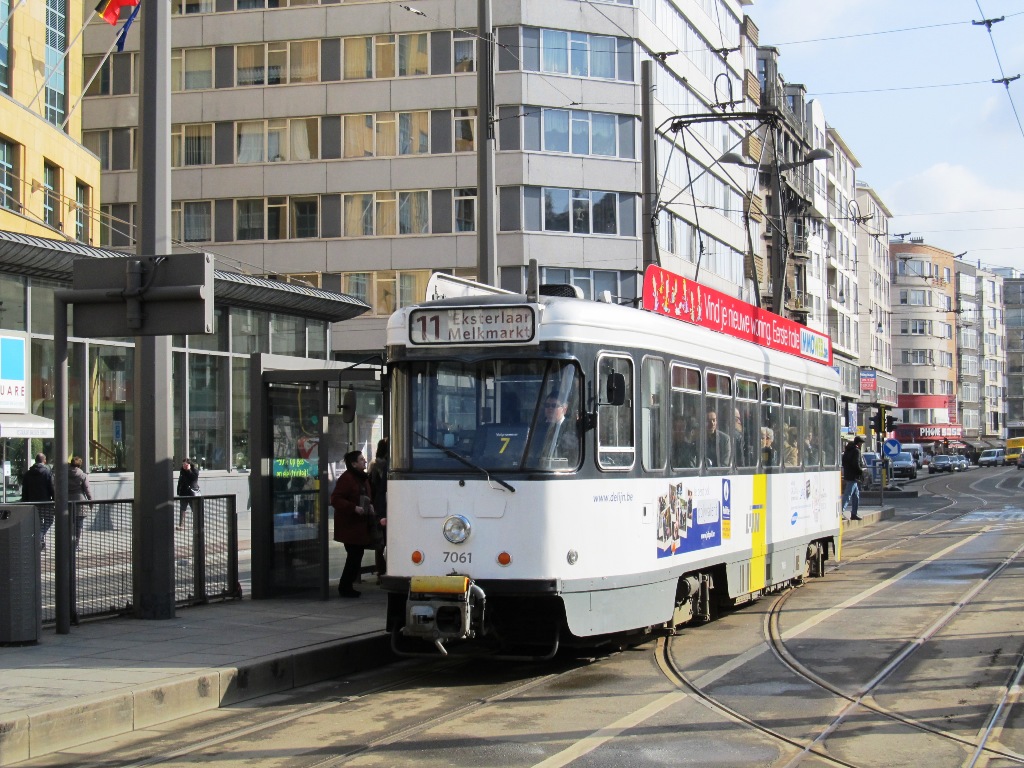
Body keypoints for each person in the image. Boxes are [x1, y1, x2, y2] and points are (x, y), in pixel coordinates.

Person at [331, 449, 373, 598]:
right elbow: (336, 499)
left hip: (360, 525)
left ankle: (346, 586)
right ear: (354, 463)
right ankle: (345, 586)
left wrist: (370, 506)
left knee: (356, 556)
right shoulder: (348, 478)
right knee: (354, 556)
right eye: (361, 459)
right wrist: (353, 508)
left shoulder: (362, 478)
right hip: (350, 526)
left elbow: (365, 496)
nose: (365, 461)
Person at [530, 391, 579, 465]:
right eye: (547, 405)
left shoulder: (571, 427)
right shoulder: (537, 428)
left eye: (554, 405)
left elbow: (573, 456)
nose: (550, 408)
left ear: (564, 409)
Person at [22, 453, 55, 551]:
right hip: (45, 502)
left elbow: (25, 489)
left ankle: (41, 542)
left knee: (38, 522)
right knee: (49, 520)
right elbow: (52, 487)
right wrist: (54, 499)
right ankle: (39, 538)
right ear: (44, 460)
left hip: (32, 502)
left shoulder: (28, 473)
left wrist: (25, 501)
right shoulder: (47, 472)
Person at [368, 438, 389, 582]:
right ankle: (383, 570)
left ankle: (380, 571)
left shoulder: (374, 465)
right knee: (384, 541)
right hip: (383, 506)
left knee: (381, 542)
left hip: (378, 505)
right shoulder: (385, 466)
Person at [67, 456, 93, 551]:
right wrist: (91, 501)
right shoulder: (82, 475)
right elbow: (87, 490)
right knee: (78, 525)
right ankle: (76, 544)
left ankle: (68, 543)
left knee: (69, 524)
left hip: (67, 501)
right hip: (80, 502)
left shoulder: (65, 474)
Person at [842, 436, 865, 521]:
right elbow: (856, 463)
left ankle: (854, 513)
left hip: (848, 475)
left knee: (856, 495)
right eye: (861, 443)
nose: (861, 445)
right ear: (858, 443)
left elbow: (844, 462)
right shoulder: (856, 451)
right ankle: (841, 511)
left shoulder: (847, 451)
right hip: (854, 476)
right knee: (848, 494)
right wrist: (860, 471)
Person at [176, 458, 200, 529]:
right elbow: (180, 481)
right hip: (183, 493)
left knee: (194, 509)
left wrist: (189, 470)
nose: (184, 466)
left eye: (186, 464)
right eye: (183, 464)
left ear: (189, 464)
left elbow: (194, 478)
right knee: (182, 509)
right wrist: (178, 491)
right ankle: (181, 525)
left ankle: (197, 524)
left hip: (192, 493)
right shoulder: (182, 471)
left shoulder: (194, 470)